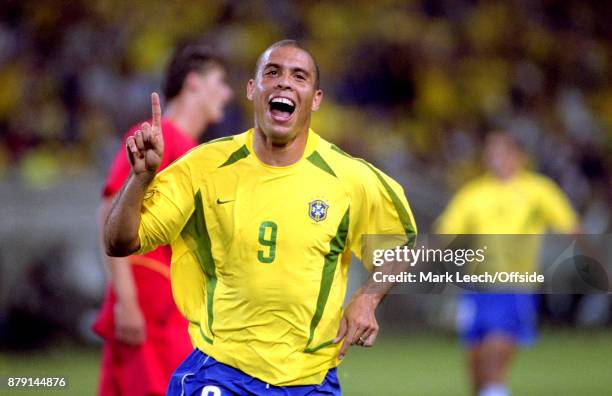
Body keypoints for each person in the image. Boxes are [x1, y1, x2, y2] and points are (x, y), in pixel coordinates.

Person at [103, 39, 417, 395]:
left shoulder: (350, 178)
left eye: (299, 76)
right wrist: (140, 178)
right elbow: (120, 241)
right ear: (253, 89)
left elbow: (401, 244)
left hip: (310, 381)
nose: (284, 82)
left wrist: (368, 298)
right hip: (222, 372)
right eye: (273, 72)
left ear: (315, 99)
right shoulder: (203, 168)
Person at [93, 41, 233, 396]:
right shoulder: (159, 136)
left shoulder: (191, 150)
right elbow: (108, 211)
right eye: (220, 82)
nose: (228, 93)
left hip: (171, 311)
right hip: (147, 307)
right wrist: (126, 301)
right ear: (193, 84)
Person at [435, 132, 580, 396]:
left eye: (501, 152)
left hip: (514, 285)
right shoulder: (474, 193)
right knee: (476, 364)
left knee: (495, 355)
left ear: (519, 156)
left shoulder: (539, 190)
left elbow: (571, 227)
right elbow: (446, 234)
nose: (494, 158)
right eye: (490, 153)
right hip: (477, 287)